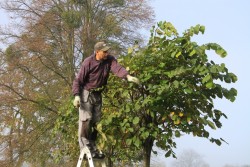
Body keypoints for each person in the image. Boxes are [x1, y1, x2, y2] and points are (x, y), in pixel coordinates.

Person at [72, 41, 139, 158]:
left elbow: (117, 68)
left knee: (96, 123)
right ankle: (85, 148)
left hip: (98, 94)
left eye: (108, 51)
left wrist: (127, 76)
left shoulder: (109, 60)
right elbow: (78, 80)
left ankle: (92, 146)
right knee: (86, 120)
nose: (107, 53)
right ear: (97, 52)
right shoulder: (88, 62)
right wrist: (76, 95)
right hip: (86, 94)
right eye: (104, 51)